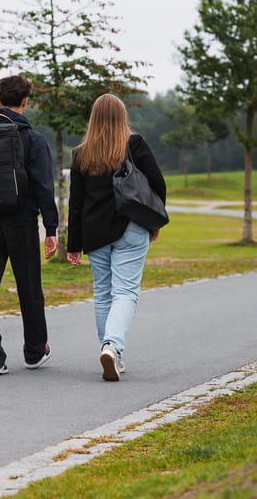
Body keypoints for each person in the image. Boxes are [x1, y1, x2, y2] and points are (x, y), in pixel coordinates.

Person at [67, 93, 166, 381]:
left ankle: (110, 350)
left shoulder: (80, 154)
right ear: (122, 116)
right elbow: (157, 184)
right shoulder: (134, 144)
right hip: (131, 226)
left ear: (94, 118)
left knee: (103, 293)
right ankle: (112, 346)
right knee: (125, 292)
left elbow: (75, 203)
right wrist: (153, 221)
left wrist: (73, 244)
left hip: (95, 233)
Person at [0, 75, 58, 375]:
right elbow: (44, 187)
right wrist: (51, 228)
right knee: (29, 288)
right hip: (21, 221)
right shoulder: (33, 139)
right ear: (26, 101)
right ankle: (34, 351)